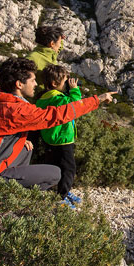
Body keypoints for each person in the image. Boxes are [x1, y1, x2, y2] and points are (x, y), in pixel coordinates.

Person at [0, 57, 116, 195]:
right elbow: (58, 115)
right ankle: (1, 200)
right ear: (19, 84)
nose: (36, 84)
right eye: (32, 80)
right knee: (55, 174)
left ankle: (5, 187)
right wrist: (97, 100)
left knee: (26, 147)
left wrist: (19, 139)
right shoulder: (14, 110)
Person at [35, 64, 83, 205]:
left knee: (53, 167)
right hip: (62, 140)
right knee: (68, 169)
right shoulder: (57, 99)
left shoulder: (46, 97)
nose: (68, 83)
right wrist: (74, 90)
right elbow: (75, 105)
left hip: (50, 139)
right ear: (55, 83)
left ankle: (53, 191)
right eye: (65, 81)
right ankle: (62, 196)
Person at [26, 25, 65, 94]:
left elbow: (59, 48)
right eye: (59, 42)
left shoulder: (49, 53)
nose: (60, 46)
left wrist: (60, 39)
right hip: (40, 99)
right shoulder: (32, 59)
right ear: (52, 44)